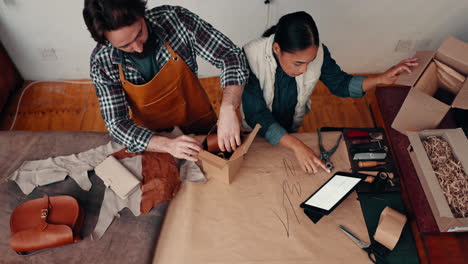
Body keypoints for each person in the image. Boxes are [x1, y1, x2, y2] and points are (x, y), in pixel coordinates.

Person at [241, 11, 417, 174]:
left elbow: (341, 84)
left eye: (309, 62)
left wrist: (380, 79)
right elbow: (257, 115)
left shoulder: (319, 53)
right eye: (298, 63)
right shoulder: (249, 56)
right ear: (277, 49)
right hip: (255, 130)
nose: (304, 70)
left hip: (290, 124)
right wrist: (297, 146)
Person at [83, 0, 248, 161]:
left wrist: (228, 108)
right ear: (107, 41)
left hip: (200, 126)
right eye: (126, 46)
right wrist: (167, 145)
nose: (138, 48)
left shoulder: (177, 20)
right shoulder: (101, 61)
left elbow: (230, 55)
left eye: (139, 33)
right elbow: (117, 124)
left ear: (142, 14)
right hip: (154, 141)